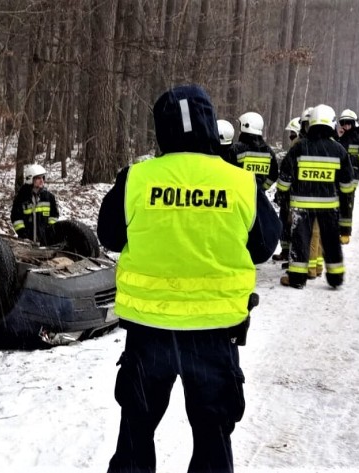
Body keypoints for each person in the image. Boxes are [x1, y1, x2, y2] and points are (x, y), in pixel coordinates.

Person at [97, 84, 281, 473]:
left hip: (149, 335)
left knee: (135, 433)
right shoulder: (240, 183)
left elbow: (109, 236)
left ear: (161, 131)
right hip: (214, 335)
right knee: (213, 437)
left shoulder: (136, 179)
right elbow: (265, 245)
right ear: (211, 126)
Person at [276, 104, 355, 289]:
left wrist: (283, 196)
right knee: (330, 242)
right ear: (332, 124)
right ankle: (336, 278)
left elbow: (284, 180)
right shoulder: (339, 151)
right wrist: (345, 222)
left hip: (301, 206)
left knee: (300, 241)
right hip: (329, 207)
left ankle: (296, 278)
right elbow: (347, 187)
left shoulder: (299, 148)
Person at [337, 109, 359, 242]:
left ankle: (345, 234)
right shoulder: (339, 138)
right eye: (343, 123)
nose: (346, 126)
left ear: (354, 123)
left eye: (348, 123)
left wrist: (351, 159)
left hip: (352, 178)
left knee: (347, 204)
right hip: (337, 176)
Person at [225, 112, 280, 190]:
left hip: (239, 195)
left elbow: (227, 173)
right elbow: (273, 175)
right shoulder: (268, 151)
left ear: (246, 126)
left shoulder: (235, 149)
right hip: (259, 199)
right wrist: (262, 188)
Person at [273, 117, 302, 261]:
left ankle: (289, 252)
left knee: (290, 223)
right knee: (285, 221)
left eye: (293, 133)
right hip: (290, 193)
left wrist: (281, 191)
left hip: (292, 194)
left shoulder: (298, 149)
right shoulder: (295, 148)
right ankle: (286, 251)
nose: (291, 136)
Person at [10, 164, 59, 245]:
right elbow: (16, 218)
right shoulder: (21, 198)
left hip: (45, 243)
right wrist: (23, 235)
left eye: (43, 177)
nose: (42, 180)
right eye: (38, 178)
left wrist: (49, 232)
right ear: (30, 179)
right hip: (26, 242)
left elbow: (54, 216)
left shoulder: (49, 197)